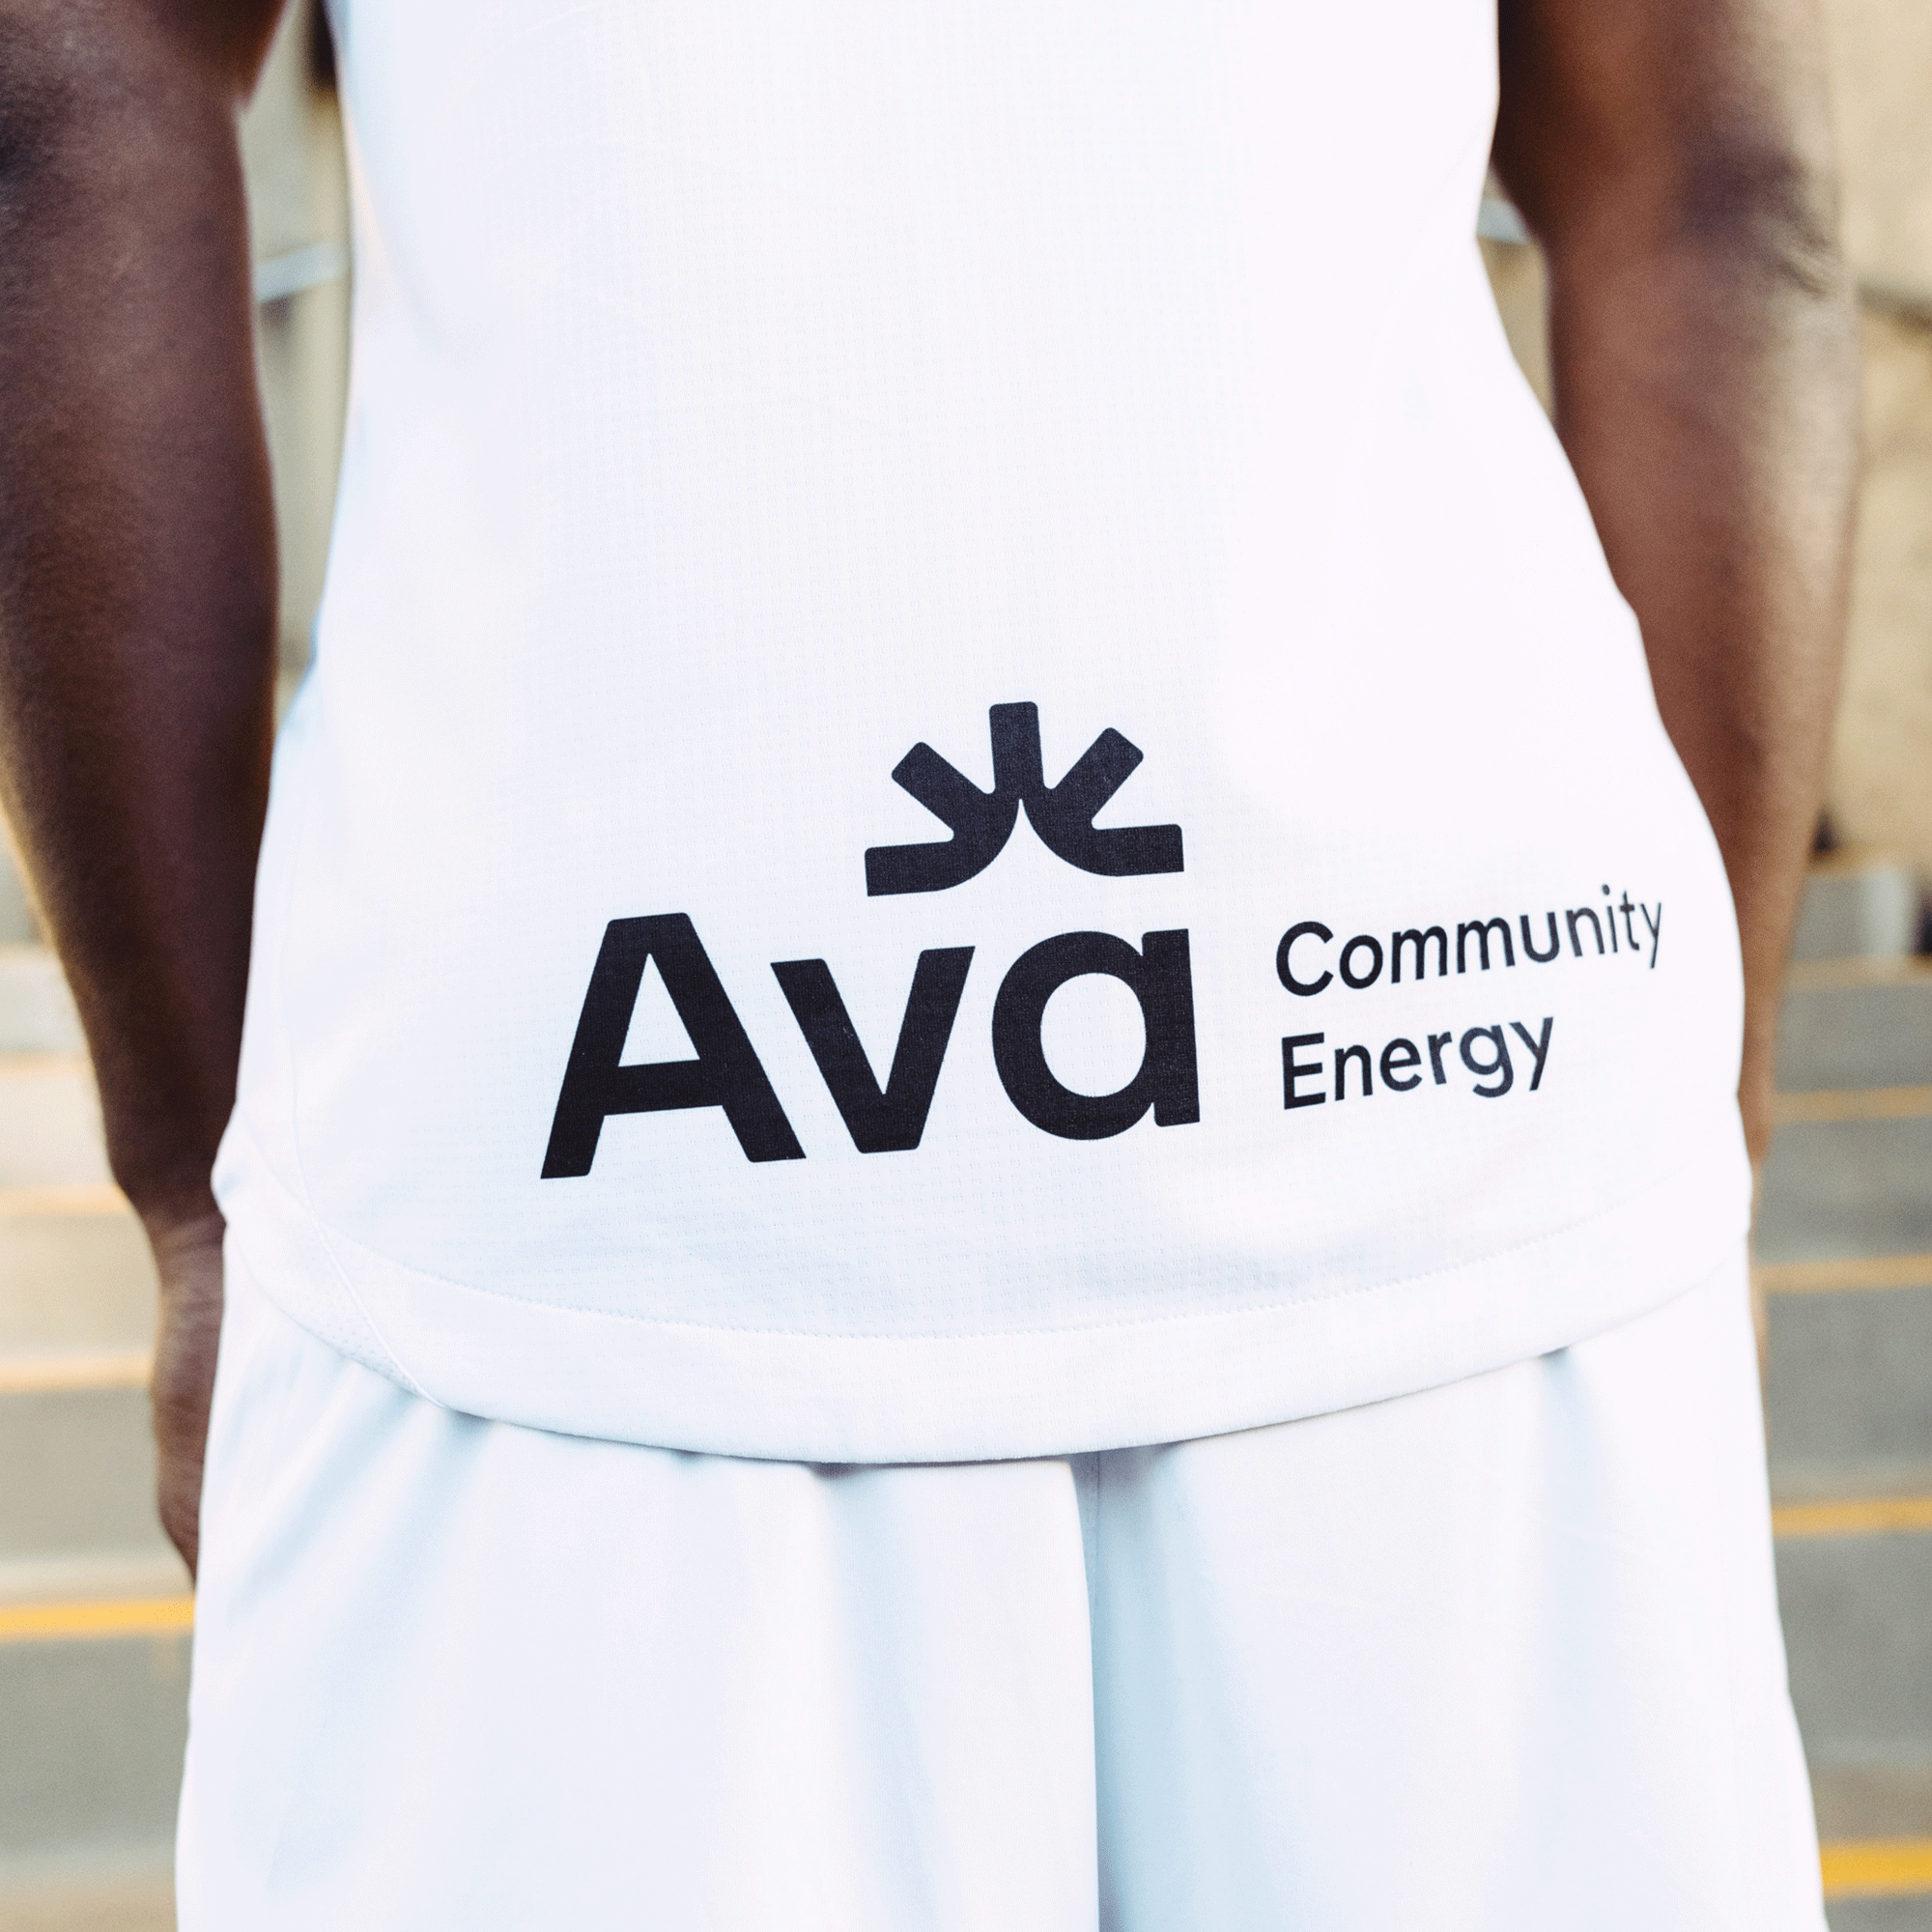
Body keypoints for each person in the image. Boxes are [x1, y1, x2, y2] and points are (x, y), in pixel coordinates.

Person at [0, 0, 1859, 1923]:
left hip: (597, 1145)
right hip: (1444, 1062)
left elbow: (68, 97)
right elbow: (1720, 189)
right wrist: (1685, 1117)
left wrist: (199, 1194)